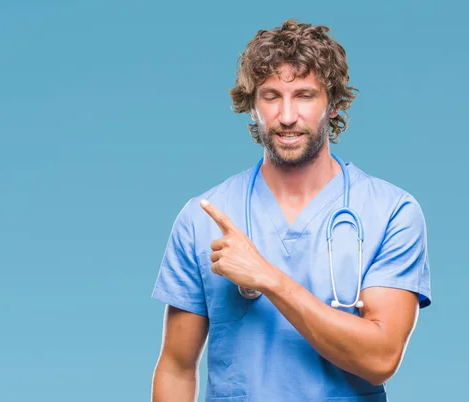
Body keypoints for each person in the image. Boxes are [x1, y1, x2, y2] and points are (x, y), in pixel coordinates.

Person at [150, 19, 432, 402]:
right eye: (270, 96)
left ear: (332, 105)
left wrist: (268, 278)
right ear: (252, 106)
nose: (286, 116)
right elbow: (177, 369)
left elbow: (380, 358)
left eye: (304, 95)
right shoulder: (203, 218)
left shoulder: (391, 212)